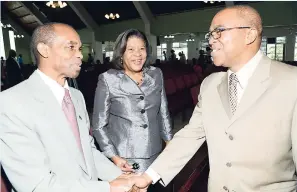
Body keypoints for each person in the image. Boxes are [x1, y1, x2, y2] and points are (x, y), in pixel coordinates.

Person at [131, 5, 297, 192]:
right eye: (210, 34)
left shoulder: (291, 82)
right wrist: (149, 176)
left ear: (249, 35)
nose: (210, 41)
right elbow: (190, 136)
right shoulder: (210, 85)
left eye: (218, 32)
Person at [0, 22, 137, 192]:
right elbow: (36, 185)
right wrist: (108, 187)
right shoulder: (11, 103)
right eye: (71, 47)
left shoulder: (76, 96)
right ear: (44, 50)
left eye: (79, 48)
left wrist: (119, 177)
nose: (80, 55)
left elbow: (88, 152)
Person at [92, 29, 172, 177]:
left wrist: (168, 142)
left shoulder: (156, 74)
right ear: (121, 54)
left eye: (142, 48)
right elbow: (98, 125)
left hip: (155, 151)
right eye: (131, 49)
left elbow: (163, 112)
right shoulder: (108, 79)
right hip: (124, 157)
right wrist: (114, 156)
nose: (138, 54)